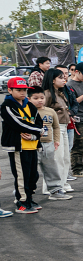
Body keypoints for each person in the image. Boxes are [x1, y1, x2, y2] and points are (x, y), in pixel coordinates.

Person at [2, 77, 43, 213]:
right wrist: (38, 130)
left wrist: (35, 135)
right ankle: (22, 202)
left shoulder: (29, 105)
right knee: (22, 176)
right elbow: (18, 124)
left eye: (24, 90)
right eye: (18, 90)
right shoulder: (7, 106)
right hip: (18, 147)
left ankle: (29, 198)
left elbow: (39, 122)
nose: (22, 92)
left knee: (33, 175)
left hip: (32, 144)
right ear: (10, 90)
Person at [30, 87, 69, 200]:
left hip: (48, 144)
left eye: (42, 98)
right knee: (30, 170)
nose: (39, 100)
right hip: (32, 144)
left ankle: (55, 190)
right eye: (35, 98)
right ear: (29, 99)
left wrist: (56, 140)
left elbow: (56, 127)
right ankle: (25, 192)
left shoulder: (50, 111)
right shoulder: (28, 111)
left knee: (51, 168)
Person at [42, 69, 73, 193]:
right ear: (52, 80)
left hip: (64, 126)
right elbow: (42, 111)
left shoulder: (60, 92)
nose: (64, 79)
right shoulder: (47, 94)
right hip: (54, 128)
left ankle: (62, 183)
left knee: (65, 158)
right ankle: (50, 187)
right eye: (60, 77)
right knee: (56, 158)